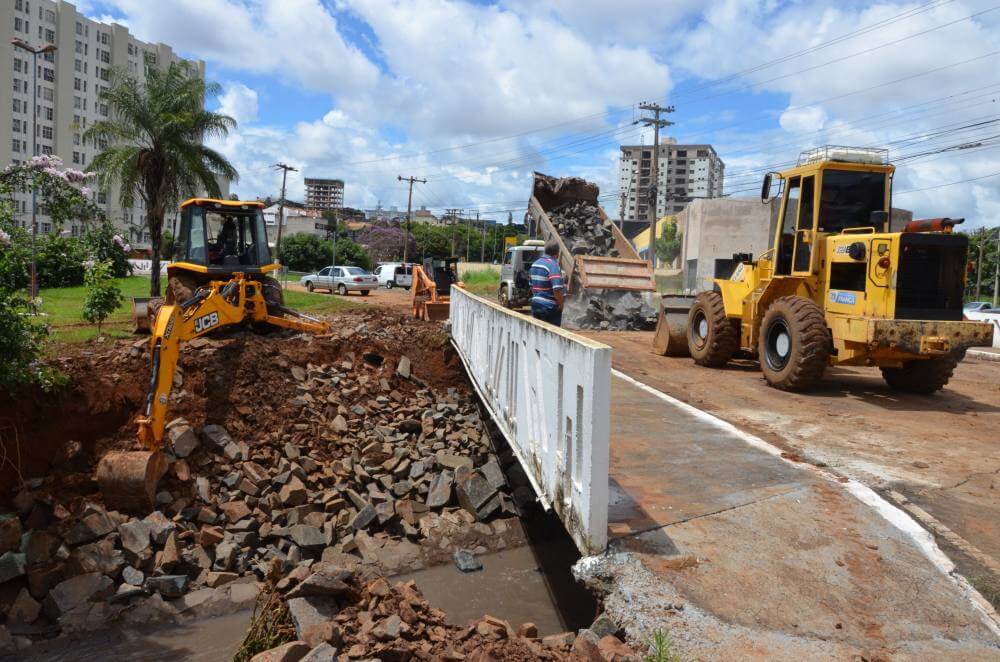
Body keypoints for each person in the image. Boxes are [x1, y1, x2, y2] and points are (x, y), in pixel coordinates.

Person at [529, 241, 565, 326]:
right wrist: (561, 305)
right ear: (557, 253)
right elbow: (557, 289)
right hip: (549, 308)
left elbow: (531, 286)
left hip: (535, 304)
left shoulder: (535, 264)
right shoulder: (553, 265)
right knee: (552, 333)